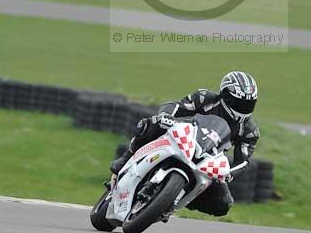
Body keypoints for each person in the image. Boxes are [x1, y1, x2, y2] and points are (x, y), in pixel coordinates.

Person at [110, 71, 260, 217]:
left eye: (248, 104)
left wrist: (228, 173)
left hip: (208, 158)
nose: (243, 108)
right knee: (151, 123)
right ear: (225, 95)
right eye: (239, 102)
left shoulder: (250, 131)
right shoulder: (205, 98)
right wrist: (166, 116)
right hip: (183, 136)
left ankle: (174, 197)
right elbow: (176, 106)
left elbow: (243, 161)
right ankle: (125, 158)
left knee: (223, 204)